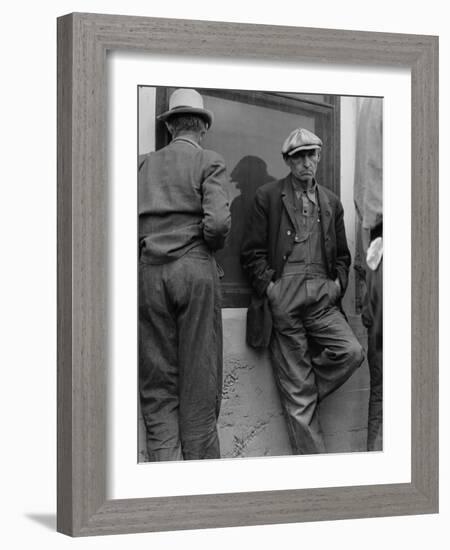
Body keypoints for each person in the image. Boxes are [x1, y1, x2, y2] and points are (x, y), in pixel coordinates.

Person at [240, 128, 364, 454]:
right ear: (287, 161)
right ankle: (316, 476)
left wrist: (337, 285)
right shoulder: (268, 197)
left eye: (311, 155)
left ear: (320, 156)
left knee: (351, 352)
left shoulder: (331, 202)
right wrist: (271, 289)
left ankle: (301, 392)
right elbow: (251, 253)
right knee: (300, 400)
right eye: (298, 157)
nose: (306, 163)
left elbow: (342, 256)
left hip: (323, 298)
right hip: (285, 297)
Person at [138, 88, 231, 461]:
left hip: (148, 273)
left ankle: (162, 477)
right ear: (202, 129)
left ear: (171, 126)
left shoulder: (142, 165)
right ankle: (202, 484)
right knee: (199, 380)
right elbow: (219, 224)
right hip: (194, 270)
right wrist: (202, 242)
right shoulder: (209, 161)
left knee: (157, 382)